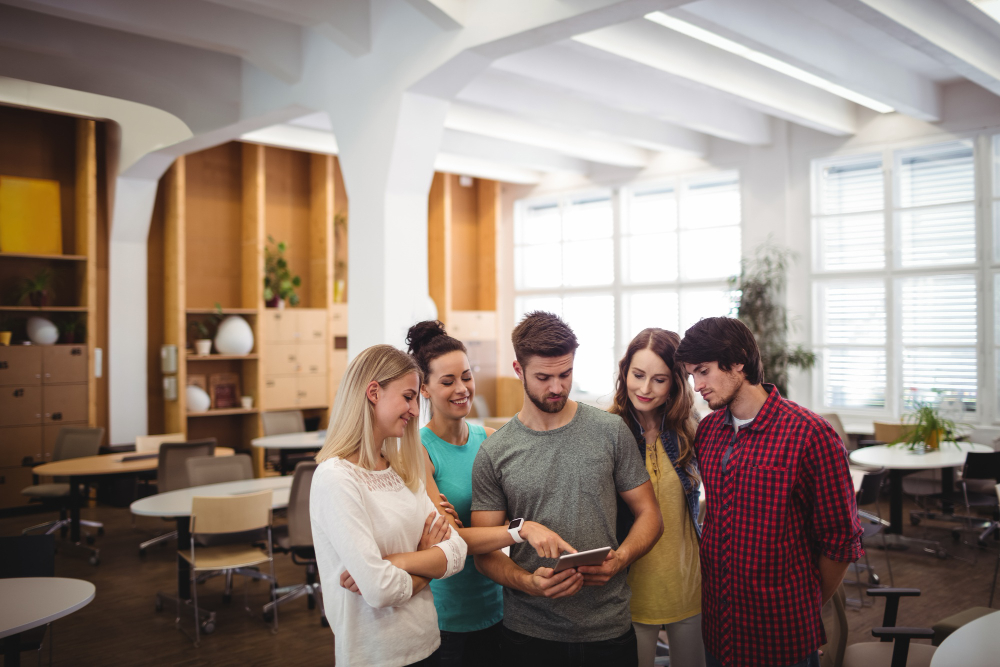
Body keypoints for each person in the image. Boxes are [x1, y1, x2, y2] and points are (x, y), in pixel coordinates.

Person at [471, 311, 663, 667]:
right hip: (528, 634)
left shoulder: (611, 431)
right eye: (543, 377)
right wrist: (527, 582)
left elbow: (650, 514)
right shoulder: (495, 452)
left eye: (565, 374)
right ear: (518, 370)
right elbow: (484, 550)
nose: (557, 387)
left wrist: (621, 558)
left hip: (607, 629)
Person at [675, 317, 863, 667]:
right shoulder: (709, 432)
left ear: (737, 362)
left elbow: (840, 541)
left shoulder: (810, 434)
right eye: (691, 375)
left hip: (781, 630)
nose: (697, 385)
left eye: (703, 371)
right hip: (718, 625)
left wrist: (806, 606)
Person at [406, 320, 575, 667]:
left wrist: (483, 529)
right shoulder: (418, 451)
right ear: (424, 388)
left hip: (499, 604)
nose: (461, 389)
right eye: (447, 381)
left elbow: (514, 511)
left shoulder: (492, 440)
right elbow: (450, 540)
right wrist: (516, 529)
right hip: (448, 614)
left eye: (466, 377)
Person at [310, 344, 468, 667]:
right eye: (408, 397)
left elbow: (458, 551)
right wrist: (427, 561)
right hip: (376, 657)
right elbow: (379, 590)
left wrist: (397, 561)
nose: (415, 410)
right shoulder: (335, 478)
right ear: (373, 393)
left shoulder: (400, 471)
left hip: (428, 643)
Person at [609, 328, 706, 667]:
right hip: (629, 589)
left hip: (688, 582)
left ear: (675, 383)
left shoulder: (692, 430)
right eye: (638, 375)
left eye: (659, 380)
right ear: (625, 373)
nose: (645, 389)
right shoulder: (607, 431)